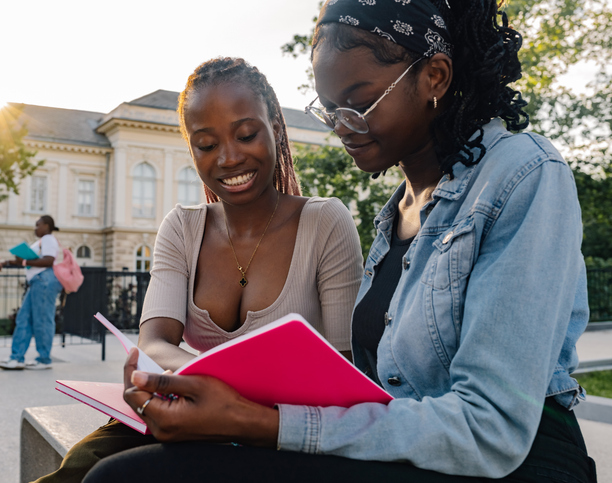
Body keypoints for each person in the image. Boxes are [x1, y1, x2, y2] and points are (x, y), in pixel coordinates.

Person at [83, 1, 597, 482]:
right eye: (330, 109)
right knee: (122, 462)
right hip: (407, 453)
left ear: (433, 77)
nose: (341, 127)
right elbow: (366, 386)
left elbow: (491, 430)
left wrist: (253, 422)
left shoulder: (523, 174)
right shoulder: (395, 213)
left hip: (517, 465)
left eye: (358, 103)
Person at [31, 57, 363, 483]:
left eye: (246, 135)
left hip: (278, 433)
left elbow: (344, 362)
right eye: (206, 145)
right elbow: (155, 341)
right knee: (82, 464)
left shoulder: (325, 222)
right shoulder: (182, 227)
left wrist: (224, 399)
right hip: (190, 413)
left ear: (276, 131)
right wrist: (206, 392)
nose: (228, 158)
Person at [0, 215, 63, 370]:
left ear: (46, 226)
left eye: (38, 225)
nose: (35, 228)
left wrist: (24, 262)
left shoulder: (48, 239)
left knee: (42, 321)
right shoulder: (40, 241)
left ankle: (44, 359)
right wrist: (6, 263)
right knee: (23, 318)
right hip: (37, 282)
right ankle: (17, 358)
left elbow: (48, 260)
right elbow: (31, 261)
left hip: (44, 281)